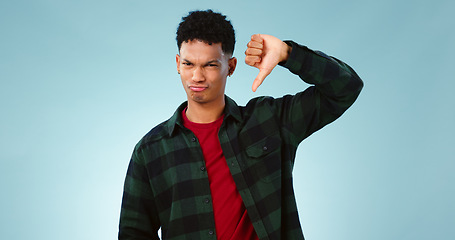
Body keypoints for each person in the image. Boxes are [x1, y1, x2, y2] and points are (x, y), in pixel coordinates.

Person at [118, 9, 363, 240]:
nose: (197, 76)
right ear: (177, 63)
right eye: (188, 64)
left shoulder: (269, 120)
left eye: (210, 65)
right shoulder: (150, 149)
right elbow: (134, 233)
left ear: (231, 67)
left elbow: (346, 88)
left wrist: (288, 53)